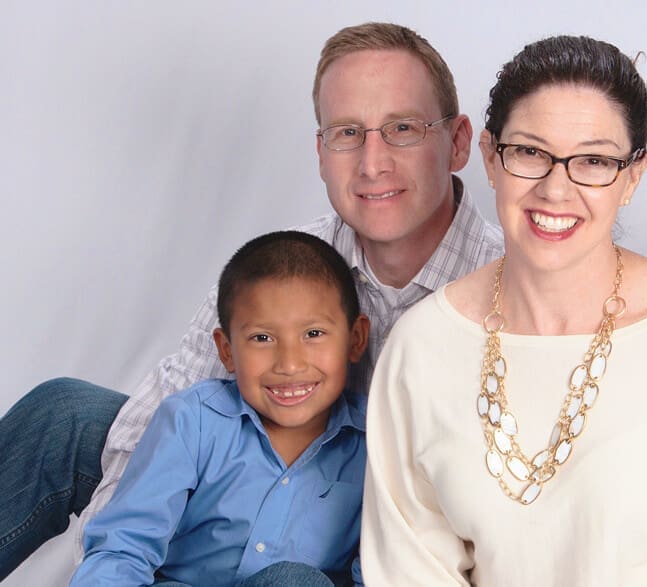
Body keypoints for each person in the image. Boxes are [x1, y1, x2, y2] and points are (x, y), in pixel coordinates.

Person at [0, 22, 503, 578]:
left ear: (457, 142)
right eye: (347, 133)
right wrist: (121, 558)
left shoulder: (517, 292)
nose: (371, 162)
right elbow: (160, 413)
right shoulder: (280, 268)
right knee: (66, 412)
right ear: (321, 150)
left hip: (354, 546)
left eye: (402, 128)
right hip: (225, 505)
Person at [360, 35, 647, 585]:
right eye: (529, 153)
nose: (556, 188)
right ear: (492, 158)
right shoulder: (420, 348)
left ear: (634, 176)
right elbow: (409, 569)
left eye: (593, 160)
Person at [72, 231, 369, 586]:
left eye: (314, 334)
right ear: (226, 350)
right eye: (262, 338)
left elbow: (379, 571)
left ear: (355, 339)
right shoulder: (192, 420)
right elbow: (124, 547)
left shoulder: (375, 445)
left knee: (297, 581)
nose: (290, 364)